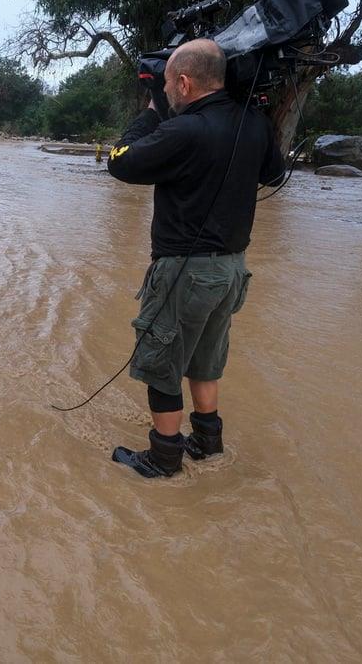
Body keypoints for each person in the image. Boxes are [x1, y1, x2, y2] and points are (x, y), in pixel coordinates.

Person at [105, 39, 284, 478]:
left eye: (167, 85)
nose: (166, 93)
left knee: (162, 364)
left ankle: (163, 457)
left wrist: (150, 111)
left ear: (183, 82)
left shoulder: (183, 130)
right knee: (206, 359)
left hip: (185, 271)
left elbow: (120, 162)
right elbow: (274, 174)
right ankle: (207, 442)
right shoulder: (254, 123)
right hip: (231, 270)